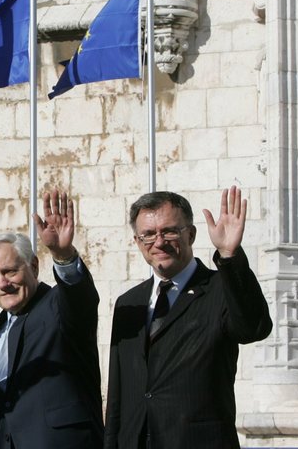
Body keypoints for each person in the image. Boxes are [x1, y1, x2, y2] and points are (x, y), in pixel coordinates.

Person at [104, 186, 273, 449]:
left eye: (169, 231)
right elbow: (118, 393)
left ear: (191, 234)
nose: (159, 242)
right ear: (137, 242)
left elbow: (254, 328)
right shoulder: (129, 303)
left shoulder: (220, 287)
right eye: (148, 235)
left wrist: (229, 256)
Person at [0, 190, 103, 449]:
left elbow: (80, 300)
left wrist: (64, 256)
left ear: (33, 266)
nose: (3, 283)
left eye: (10, 271)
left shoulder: (57, 306)